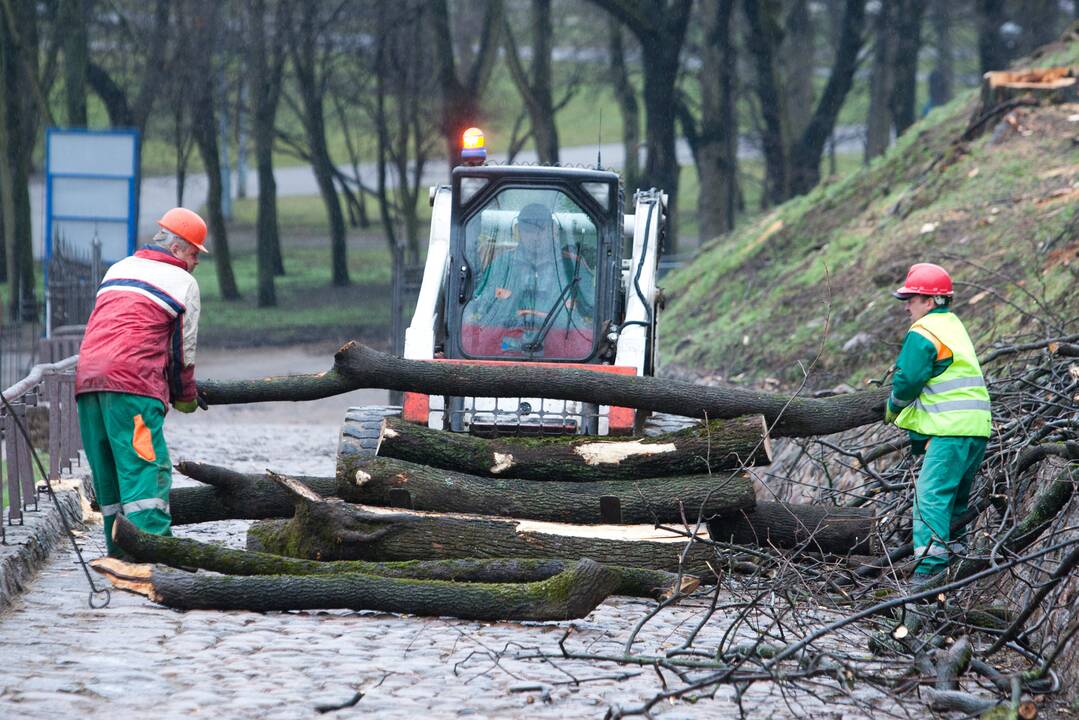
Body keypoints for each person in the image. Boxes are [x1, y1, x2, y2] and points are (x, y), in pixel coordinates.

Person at [75, 207, 209, 557]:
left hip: (88, 380)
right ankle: (154, 553)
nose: (196, 262)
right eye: (195, 253)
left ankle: (118, 553)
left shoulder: (118, 268)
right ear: (178, 248)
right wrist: (185, 398)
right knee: (145, 471)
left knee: (108, 473)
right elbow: (183, 352)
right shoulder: (183, 283)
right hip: (132, 385)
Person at [884, 262, 992, 584]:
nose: (907, 306)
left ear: (929, 301)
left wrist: (892, 407)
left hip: (950, 431)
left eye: (911, 298)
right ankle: (959, 572)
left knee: (930, 499)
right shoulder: (954, 325)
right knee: (956, 505)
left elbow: (908, 380)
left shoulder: (924, 331)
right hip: (976, 429)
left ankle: (928, 579)